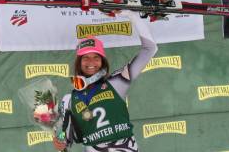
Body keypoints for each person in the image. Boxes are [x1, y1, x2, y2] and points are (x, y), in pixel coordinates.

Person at [53, 10, 158, 152]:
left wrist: (132, 16)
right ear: (79, 62)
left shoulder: (117, 82)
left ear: (102, 62)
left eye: (96, 57)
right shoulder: (69, 100)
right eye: (86, 57)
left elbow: (150, 49)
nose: (91, 62)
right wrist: (58, 141)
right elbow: (64, 136)